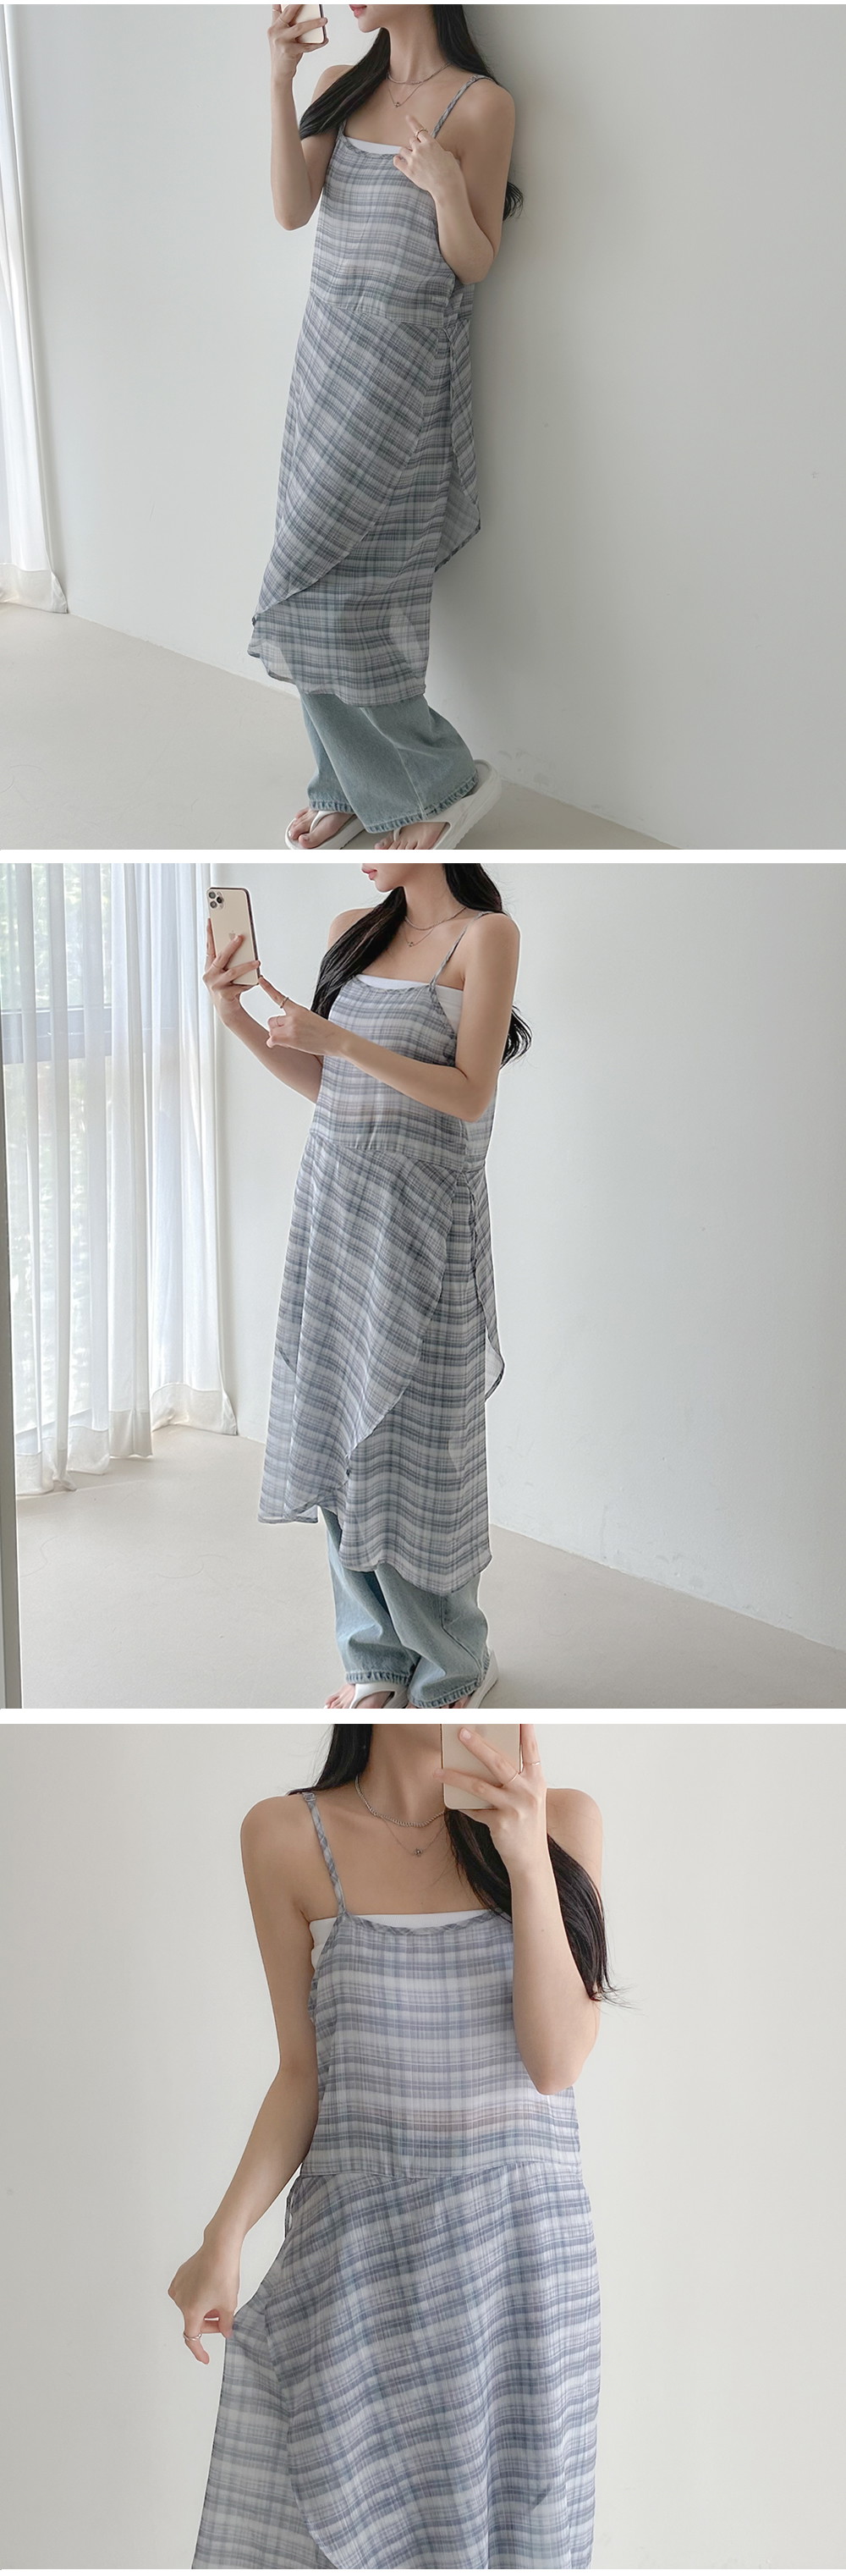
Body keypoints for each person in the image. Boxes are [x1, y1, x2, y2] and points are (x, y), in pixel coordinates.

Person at [171, 1720, 607, 2570]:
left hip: (521, 2280)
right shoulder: (285, 1834)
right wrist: (224, 2237)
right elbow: (302, 2074)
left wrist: (525, 1858)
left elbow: (555, 2064)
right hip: (361, 2271)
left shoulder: (562, 1820)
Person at [204, 860, 528, 1710]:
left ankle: (454, 1664)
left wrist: (340, 1037)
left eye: (383, 823)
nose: (363, 844)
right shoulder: (354, 926)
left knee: (417, 1451)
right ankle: (375, 1660)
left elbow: (470, 1094)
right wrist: (235, 1015)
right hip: (335, 1208)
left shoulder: (485, 936)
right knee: (338, 1438)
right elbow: (332, 1088)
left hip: (422, 1222)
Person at [251, 5, 520, 852]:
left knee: (355, 590)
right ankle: (344, 781)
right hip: (325, 360)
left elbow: (474, 261)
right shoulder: (340, 84)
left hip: (403, 371)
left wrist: (444, 184)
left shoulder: (482, 104)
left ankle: (438, 777)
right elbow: (291, 211)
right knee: (313, 583)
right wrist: (279, 82)